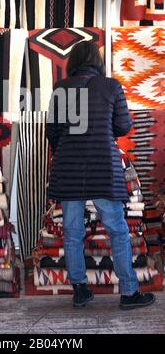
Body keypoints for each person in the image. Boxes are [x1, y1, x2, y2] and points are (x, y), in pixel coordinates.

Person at [46, 41, 155, 310]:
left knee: (72, 232)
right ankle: (129, 293)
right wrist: (102, 131)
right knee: (117, 231)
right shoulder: (111, 86)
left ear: (73, 62)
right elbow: (124, 125)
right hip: (103, 167)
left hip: (69, 169)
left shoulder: (61, 88)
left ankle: (80, 290)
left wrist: (70, 149)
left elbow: (53, 132)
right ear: (97, 61)